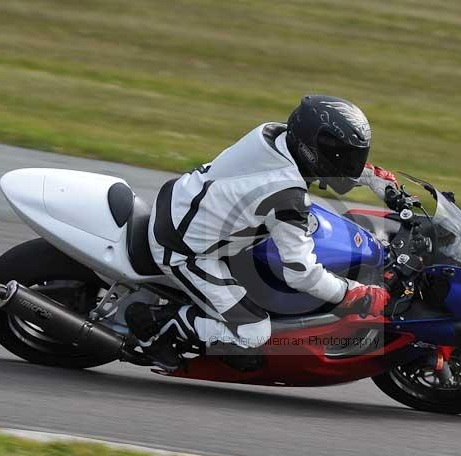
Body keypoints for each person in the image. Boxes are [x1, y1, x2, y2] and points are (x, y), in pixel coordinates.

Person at [125, 95, 399, 371]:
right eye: (345, 156)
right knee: (253, 335)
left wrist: (370, 176)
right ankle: (159, 323)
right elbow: (301, 274)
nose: (349, 164)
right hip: (184, 249)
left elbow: (321, 165)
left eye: (355, 156)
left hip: (186, 202)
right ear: (314, 147)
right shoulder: (286, 196)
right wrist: (353, 293)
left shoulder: (276, 135)